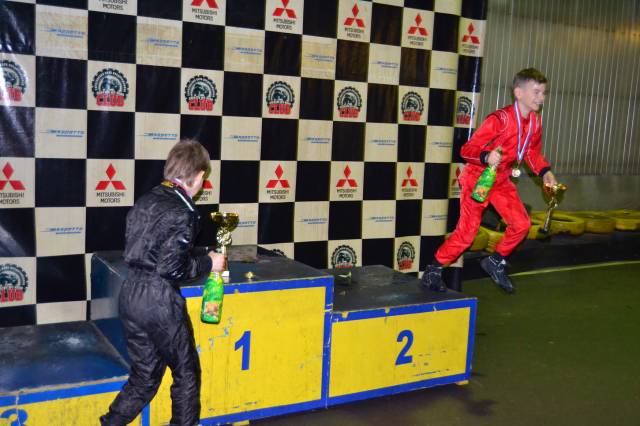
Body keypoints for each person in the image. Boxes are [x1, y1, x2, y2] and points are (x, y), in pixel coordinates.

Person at [101, 139, 226, 426]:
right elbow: (172, 268)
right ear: (198, 176)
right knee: (186, 373)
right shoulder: (184, 211)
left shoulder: (146, 200)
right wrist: (209, 263)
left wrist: (201, 254)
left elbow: (155, 250)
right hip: (159, 301)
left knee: (144, 376)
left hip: (131, 294)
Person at [422, 68, 557, 294]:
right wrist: (486, 156)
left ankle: (494, 262)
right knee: (467, 234)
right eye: (536, 92)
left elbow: (532, 152)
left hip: (501, 180)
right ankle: (433, 271)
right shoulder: (499, 119)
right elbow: (466, 150)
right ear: (518, 93)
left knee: (521, 224)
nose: (541, 97)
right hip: (478, 179)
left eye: (543, 93)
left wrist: (544, 172)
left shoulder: (535, 122)